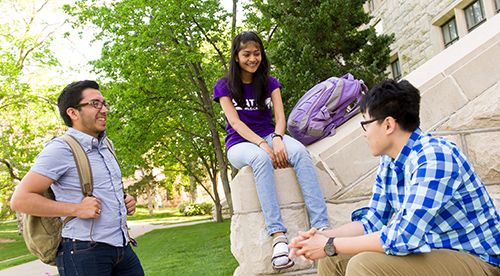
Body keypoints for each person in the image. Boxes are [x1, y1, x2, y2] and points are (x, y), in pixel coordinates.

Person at [288, 79, 500, 275]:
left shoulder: (434, 157)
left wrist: (330, 244)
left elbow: (404, 236)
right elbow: (373, 221)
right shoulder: (390, 162)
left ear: (388, 125)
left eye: (366, 124)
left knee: (363, 265)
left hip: (478, 260)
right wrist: (323, 238)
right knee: (332, 259)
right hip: (432, 252)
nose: (364, 133)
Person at [212, 31, 329, 270]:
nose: (252, 59)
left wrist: (276, 138)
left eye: (257, 53)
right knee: (260, 159)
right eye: (246, 54)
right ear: (236, 56)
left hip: (269, 135)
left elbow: (280, 116)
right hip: (240, 143)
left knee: (300, 154)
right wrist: (262, 144)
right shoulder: (224, 86)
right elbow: (235, 123)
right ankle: (278, 237)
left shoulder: (270, 82)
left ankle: (322, 228)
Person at [11, 80, 144, 276]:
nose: (104, 109)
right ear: (73, 113)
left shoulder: (107, 145)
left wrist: (125, 201)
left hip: (122, 247)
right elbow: (20, 200)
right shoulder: (60, 149)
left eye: (104, 103)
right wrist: (76, 209)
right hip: (84, 251)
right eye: (94, 104)